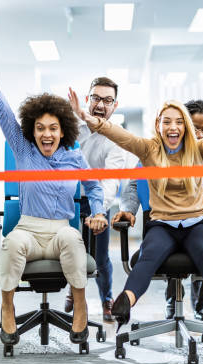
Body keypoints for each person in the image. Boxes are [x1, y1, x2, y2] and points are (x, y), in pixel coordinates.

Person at [68, 85, 203, 336]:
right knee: (148, 256)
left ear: (184, 126)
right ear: (158, 125)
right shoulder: (149, 149)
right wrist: (87, 118)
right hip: (162, 225)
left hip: (196, 224)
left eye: (178, 122)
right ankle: (125, 301)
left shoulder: (199, 149)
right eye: (166, 122)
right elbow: (117, 133)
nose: (173, 127)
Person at [0, 31, 108, 346]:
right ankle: (7, 306)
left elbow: (94, 187)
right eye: (40, 128)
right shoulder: (23, 149)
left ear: (63, 131)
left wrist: (98, 211)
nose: (47, 134)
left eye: (53, 128)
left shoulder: (74, 156)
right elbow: (2, 108)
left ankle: (80, 304)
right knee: (11, 244)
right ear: (32, 130)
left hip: (60, 231)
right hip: (28, 229)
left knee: (74, 240)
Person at [114, 99, 203, 322]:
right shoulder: (157, 150)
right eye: (195, 128)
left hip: (200, 219)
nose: (201, 135)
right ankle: (160, 296)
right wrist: (127, 210)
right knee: (155, 250)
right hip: (163, 221)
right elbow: (136, 183)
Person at [63, 76, 127, 323]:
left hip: (98, 201)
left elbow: (111, 180)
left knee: (100, 257)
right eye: (97, 98)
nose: (101, 105)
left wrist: (100, 210)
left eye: (107, 100)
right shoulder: (70, 129)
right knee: (71, 250)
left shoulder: (117, 137)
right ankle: (73, 288)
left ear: (115, 105)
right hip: (69, 198)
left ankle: (106, 299)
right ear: (88, 99)